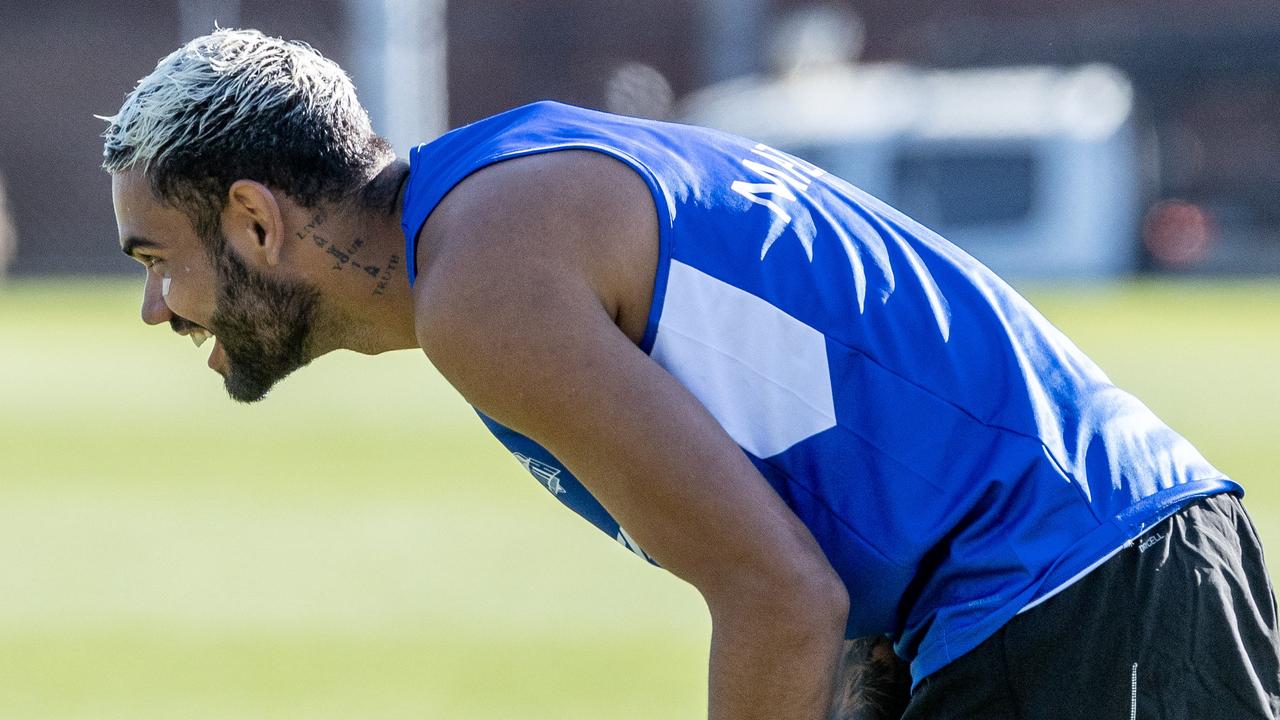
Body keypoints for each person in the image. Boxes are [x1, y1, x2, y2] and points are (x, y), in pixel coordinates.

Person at [102, 29, 1279, 720]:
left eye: (160, 259)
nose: (157, 304)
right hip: (1075, 586)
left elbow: (779, 597)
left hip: (1074, 597)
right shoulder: (503, 190)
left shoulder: (482, 286)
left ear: (254, 222)